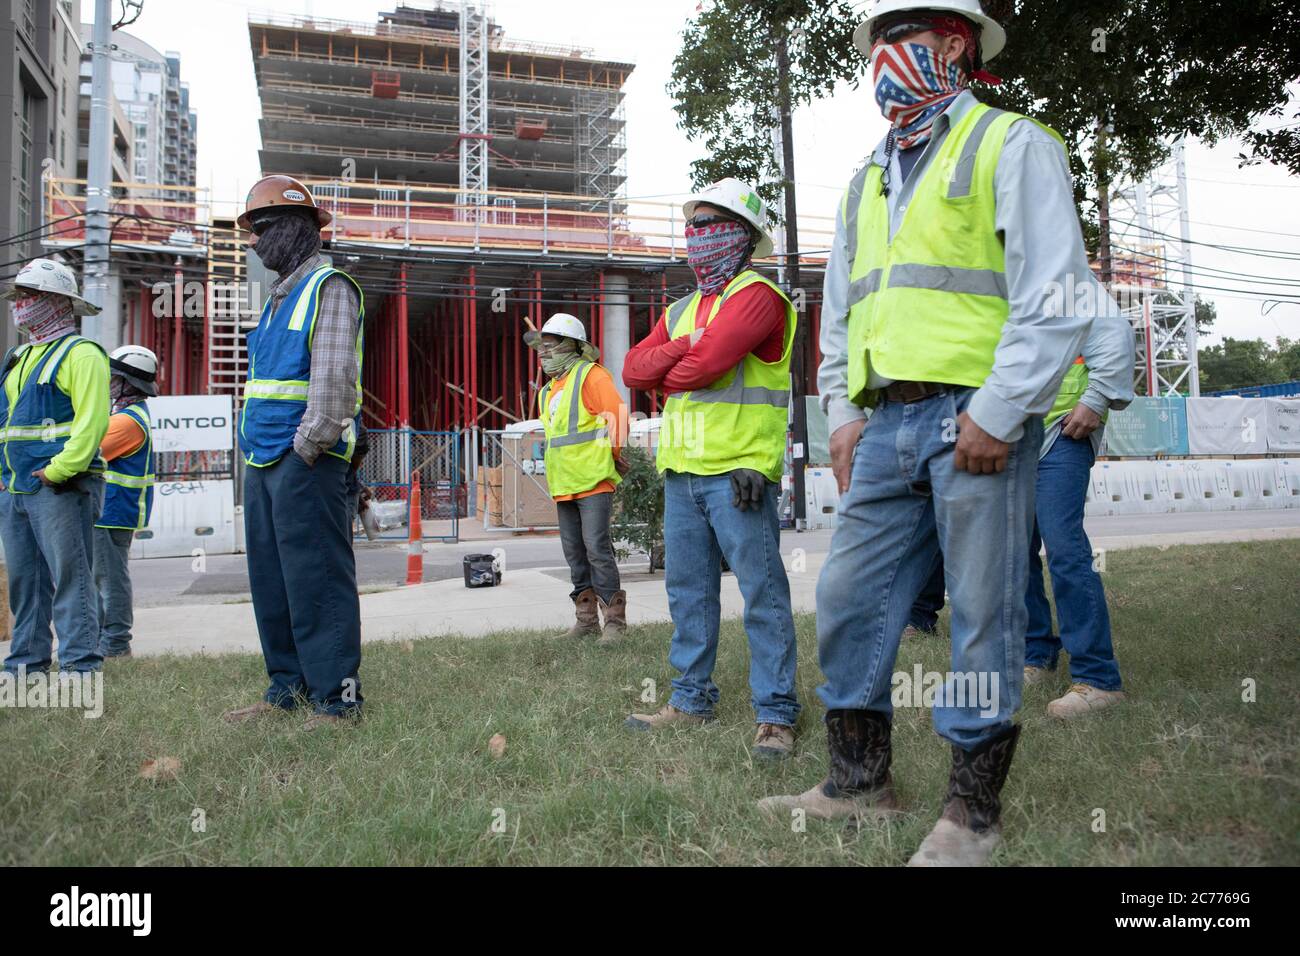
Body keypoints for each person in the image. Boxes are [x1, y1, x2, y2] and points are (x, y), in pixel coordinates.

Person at [759, 1, 1098, 863]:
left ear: (953, 45)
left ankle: (971, 818)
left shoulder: (1011, 144)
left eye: (898, 38)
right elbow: (840, 310)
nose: (880, 56)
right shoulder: (865, 176)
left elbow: (1056, 293)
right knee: (846, 599)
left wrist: (1001, 406)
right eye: (876, 43)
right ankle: (860, 782)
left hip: (973, 417)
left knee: (984, 614)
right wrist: (840, 413)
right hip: (884, 425)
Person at [622, 178, 800, 760]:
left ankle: (775, 713)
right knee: (687, 592)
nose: (695, 238)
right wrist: (680, 354)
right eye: (691, 226)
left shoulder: (758, 296)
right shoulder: (681, 309)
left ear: (740, 237)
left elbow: (706, 368)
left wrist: (671, 364)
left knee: (761, 591)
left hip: (739, 474)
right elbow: (631, 369)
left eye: (707, 226)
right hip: (683, 474)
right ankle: (690, 699)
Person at [222, 175, 365, 731]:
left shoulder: (328, 288)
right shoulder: (278, 299)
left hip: (304, 461)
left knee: (318, 580)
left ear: (293, 229)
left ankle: (338, 700)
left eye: (260, 231)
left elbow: (333, 392)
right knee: (273, 580)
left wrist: (303, 452)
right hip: (264, 460)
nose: (254, 244)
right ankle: (286, 688)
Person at [0, 258, 110, 674]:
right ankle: (25, 664)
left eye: (30, 296)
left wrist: (58, 471)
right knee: (26, 583)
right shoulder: (17, 357)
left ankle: (80, 665)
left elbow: (91, 422)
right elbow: (6, 423)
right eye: (20, 296)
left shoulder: (81, 354)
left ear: (56, 302)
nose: (20, 304)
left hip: (60, 485)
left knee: (70, 579)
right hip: (16, 487)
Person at [1023, 310, 1135, 717]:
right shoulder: (995, 278)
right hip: (1012, 437)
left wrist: (1097, 398)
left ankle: (1098, 678)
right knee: (1015, 554)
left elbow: (1113, 330)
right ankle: (1035, 655)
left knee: (1065, 549)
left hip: (1064, 430)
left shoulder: (1061, 271)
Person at [526, 313, 629, 645]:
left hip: (594, 479)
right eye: (540, 349)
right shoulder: (547, 392)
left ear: (571, 346)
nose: (542, 354)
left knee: (597, 549)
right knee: (575, 554)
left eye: (549, 346)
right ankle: (585, 622)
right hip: (564, 485)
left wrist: (611, 456)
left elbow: (619, 418)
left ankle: (614, 623)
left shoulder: (591, 376)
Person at [94, 345, 159, 659]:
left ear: (126, 383)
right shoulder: (125, 415)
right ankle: (102, 641)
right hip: (111, 510)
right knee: (102, 577)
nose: (107, 381)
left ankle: (116, 643)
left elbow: (86, 453)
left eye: (113, 377)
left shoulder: (126, 422)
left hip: (112, 511)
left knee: (109, 578)